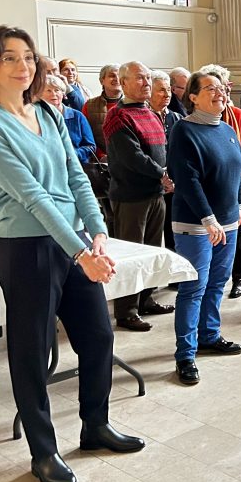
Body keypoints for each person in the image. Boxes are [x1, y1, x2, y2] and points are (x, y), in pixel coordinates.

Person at [0, 25, 144, 482]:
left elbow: (75, 176)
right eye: (9, 57)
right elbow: (32, 196)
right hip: (27, 247)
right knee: (32, 351)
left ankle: (95, 426)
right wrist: (81, 252)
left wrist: (98, 231)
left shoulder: (47, 111)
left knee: (98, 336)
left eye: (28, 56)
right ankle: (43, 452)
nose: (22, 66)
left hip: (75, 239)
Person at [167, 72, 241, 385]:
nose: (219, 93)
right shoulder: (184, 130)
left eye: (221, 88)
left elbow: (237, 170)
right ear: (193, 97)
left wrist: (239, 205)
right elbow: (186, 179)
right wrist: (208, 218)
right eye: (210, 88)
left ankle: (209, 336)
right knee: (193, 287)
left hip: (229, 221)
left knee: (217, 283)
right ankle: (185, 355)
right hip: (196, 223)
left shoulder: (226, 129)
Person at [103, 62, 174, 332]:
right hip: (131, 196)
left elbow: (161, 149)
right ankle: (126, 311)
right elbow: (132, 157)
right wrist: (162, 174)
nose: (146, 83)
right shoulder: (117, 116)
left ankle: (145, 299)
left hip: (155, 193)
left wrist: (166, 174)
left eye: (148, 78)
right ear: (124, 82)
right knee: (131, 255)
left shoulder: (149, 112)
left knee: (151, 252)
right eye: (140, 78)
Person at [198, 64, 241, 298]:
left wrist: (239, 173)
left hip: (236, 184)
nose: (223, 91)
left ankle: (238, 278)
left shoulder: (236, 115)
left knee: (237, 231)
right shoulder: (195, 121)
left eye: (225, 86)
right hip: (209, 188)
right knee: (210, 233)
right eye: (216, 86)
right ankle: (207, 279)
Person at [150, 70, 183, 253]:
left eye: (169, 90)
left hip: (174, 184)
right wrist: (161, 176)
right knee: (152, 239)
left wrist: (173, 178)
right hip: (151, 183)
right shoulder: (145, 117)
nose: (167, 94)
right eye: (161, 90)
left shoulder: (177, 118)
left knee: (173, 234)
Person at [40, 74, 96, 164]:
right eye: (48, 90)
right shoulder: (36, 116)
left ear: (63, 94)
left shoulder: (77, 116)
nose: (54, 94)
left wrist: (74, 154)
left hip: (77, 165)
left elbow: (90, 146)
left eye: (57, 90)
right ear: (40, 95)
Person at [82, 64, 122, 160]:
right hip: (100, 162)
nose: (117, 79)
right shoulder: (89, 105)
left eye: (119, 76)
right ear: (102, 80)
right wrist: (101, 156)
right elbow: (85, 135)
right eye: (112, 75)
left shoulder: (134, 104)